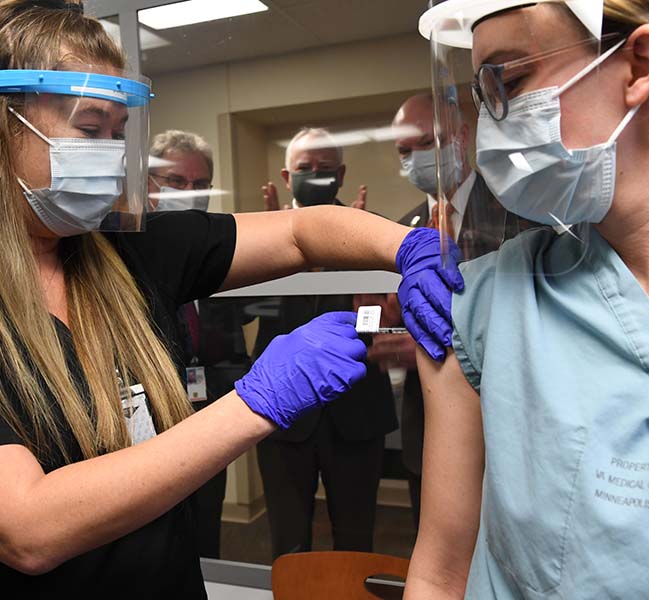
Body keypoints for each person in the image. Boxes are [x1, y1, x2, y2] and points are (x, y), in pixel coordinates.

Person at [0, 1, 457, 597]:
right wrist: (258, 403)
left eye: (118, 133)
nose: (109, 156)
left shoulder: (124, 252)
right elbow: (25, 528)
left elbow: (303, 231)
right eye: (89, 130)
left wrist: (410, 247)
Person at [404, 0, 649, 597]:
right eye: (483, 97)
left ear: (639, 64)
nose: (492, 127)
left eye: (509, 81)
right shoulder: (481, 304)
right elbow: (440, 572)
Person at [372, 92, 530, 527]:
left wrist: (442, 344)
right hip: (427, 427)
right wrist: (389, 331)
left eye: (427, 143)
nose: (416, 158)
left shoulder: (518, 212)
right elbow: (397, 319)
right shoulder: (399, 229)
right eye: (404, 151)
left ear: (461, 137)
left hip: (506, 424)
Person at [254, 127, 399, 559]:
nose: (314, 176)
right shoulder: (260, 234)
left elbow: (379, 323)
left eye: (325, 168)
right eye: (304, 169)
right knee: (288, 543)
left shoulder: (371, 230)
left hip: (357, 413)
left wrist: (359, 260)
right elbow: (245, 315)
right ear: (286, 175)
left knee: (356, 541)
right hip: (281, 413)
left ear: (342, 174)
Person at [148, 129, 254, 559]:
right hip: (148, 430)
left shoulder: (223, 256)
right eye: (176, 183)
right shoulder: (124, 253)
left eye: (199, 185)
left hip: (209, 419)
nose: (190, 194)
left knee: (206, 534)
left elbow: (241, 330)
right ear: (149, 184)